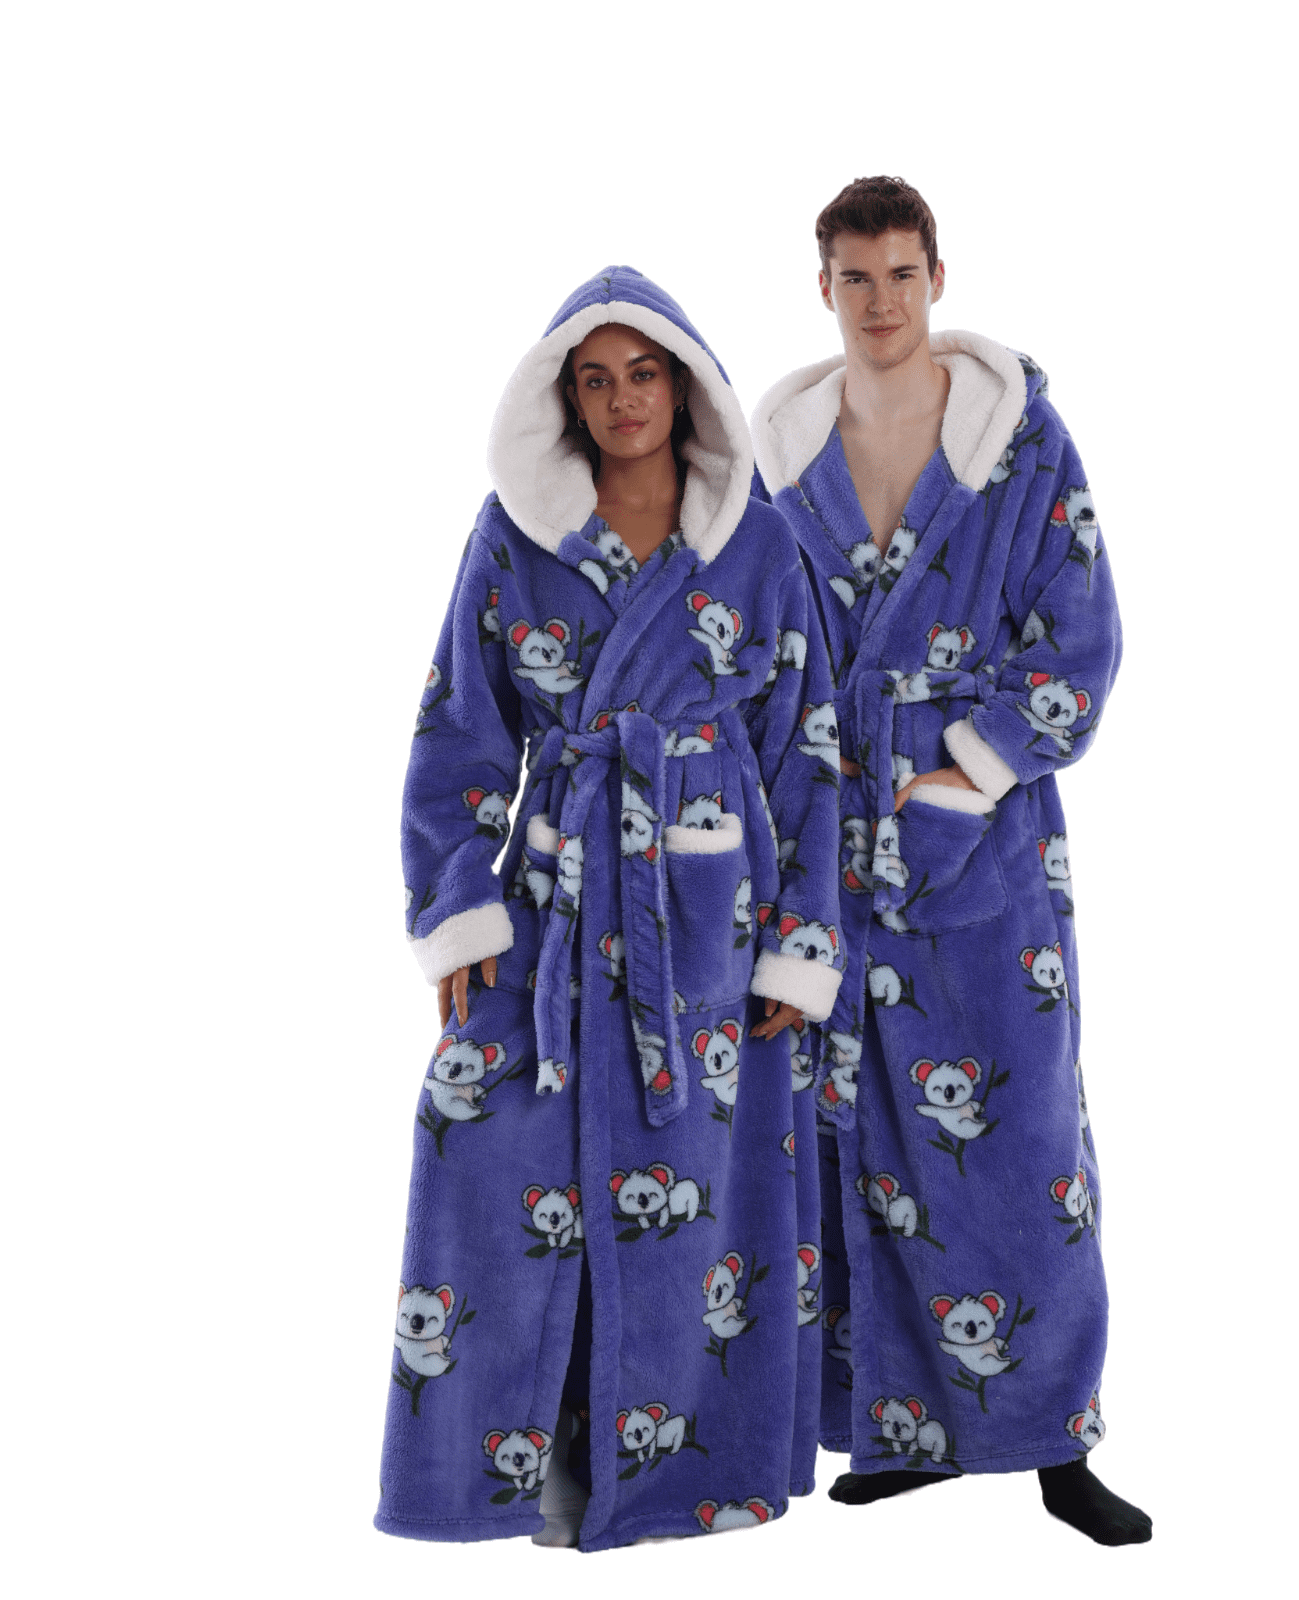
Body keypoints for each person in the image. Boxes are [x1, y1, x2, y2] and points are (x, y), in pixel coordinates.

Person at [376, 267, 843, 1552]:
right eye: (596, 378)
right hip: (555, 895)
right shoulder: (515, 532)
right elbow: (460, 728)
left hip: (709, 915)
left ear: (683, 386)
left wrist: (797, 946)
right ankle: (519, 1455)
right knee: (488, 1140)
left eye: (643, 373)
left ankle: (672, 1467)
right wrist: (459, 907)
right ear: (565, 397)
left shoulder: (758, 541)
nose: (622, 398)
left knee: (692, 1184)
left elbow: (807, 754)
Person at [750, 178, 1152, 1545]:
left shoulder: (1018, 440)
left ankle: (1055, 1441)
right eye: (856, 278)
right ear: (823, 288)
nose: (882, 301)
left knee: (1020, 1139)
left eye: (902, 273)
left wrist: (968, 772)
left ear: (938, 277)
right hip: (829, 843)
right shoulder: (779, 462)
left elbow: (1082, 632)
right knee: (854, 1135)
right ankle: (905, 1428)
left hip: (980, 843)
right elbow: (762, 651)